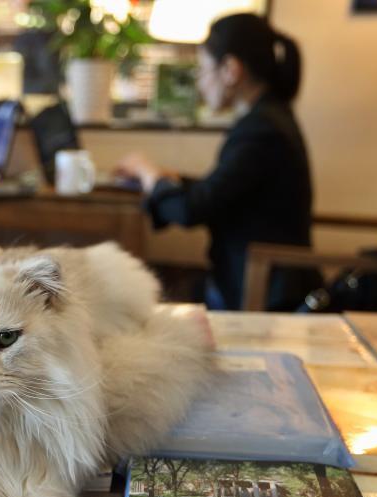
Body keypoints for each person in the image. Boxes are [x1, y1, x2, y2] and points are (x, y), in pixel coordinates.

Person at [115, 13, 320, 311]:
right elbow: (227, 190)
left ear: (231, 70)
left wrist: (147, 171)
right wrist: (172, 179)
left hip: (263, 288)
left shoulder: (261, 129)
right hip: (252, 277)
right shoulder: (268, 118)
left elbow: (192, 210)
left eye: (203, 70)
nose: (200, 83)